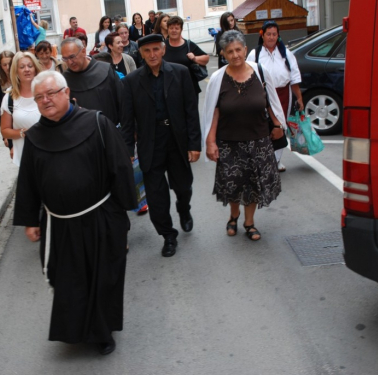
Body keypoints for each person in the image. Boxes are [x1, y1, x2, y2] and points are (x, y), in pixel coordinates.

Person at [14, 70, 137, 355]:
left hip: (100, 216)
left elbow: (119, 167)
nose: (45, 101)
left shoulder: (97, 122)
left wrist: (122, 213)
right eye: (39, 97)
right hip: (60, 224)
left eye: (51, 94)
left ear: (66, 93)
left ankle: (103, 332)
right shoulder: (34, 137)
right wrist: (30, 221)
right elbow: (28, 181)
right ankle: (76, 329)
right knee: (67, 279)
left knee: (103, 276)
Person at [121, 34, 201, 257]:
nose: (152, 54)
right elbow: (127, 121)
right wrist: (128, 150)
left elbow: (191, 111)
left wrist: (194, 143)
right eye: (147, 51)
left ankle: (184, 209)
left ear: (163, 50)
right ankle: (168, 235)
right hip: (150, 144)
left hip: (177, 140)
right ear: (141, 54)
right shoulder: (131, 81)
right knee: (156, 197)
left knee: (183, 186)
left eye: (156, 49)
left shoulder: (181, 73)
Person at [202, 30, 285, 241]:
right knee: (233, 183)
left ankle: (249, 222)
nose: (235, 54)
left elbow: (271, 102)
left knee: (254, 184)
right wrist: (210, 141)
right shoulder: (218, 79)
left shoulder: (261, 72)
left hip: (259, 140)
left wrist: (278, 125)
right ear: (223, 54)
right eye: (230, 51)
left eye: (238, 49)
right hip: (229, 142)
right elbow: (214, 111)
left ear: (245, 50)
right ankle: (234, 214)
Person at [247, 20, 304, 172]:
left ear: (278, 36)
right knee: (264, 126)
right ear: (262, 35)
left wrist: (299, 98)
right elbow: (247, 76)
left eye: (274, 34)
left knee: (281, 125)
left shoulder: (286, 54)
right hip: (263, 94)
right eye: (268, 34)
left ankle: (276, 160)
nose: (271, 37)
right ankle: (263, 159)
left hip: (283, 93)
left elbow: (295, 78)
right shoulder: (255, 54)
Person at [61, 37, 123, 125]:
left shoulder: (105, 70)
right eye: (65, 59)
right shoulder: (64, 80)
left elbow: (122, 101)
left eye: (72, 57)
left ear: (83, 51)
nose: (70, 62)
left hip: (111, 129)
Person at [0, 52, 42, 167]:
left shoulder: (45, 92)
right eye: (22, 67)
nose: (26, 70)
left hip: (49, 153)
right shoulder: (9, 98)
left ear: (35, 68)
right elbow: (4, 130)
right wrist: (22, 133)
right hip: (25, 158)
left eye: (30, 66)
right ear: (16, 71)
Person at [163, 16, 209, 97]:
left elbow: (206, 58)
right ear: (168, 29)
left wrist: (195, 58)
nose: (174, 31)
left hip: (189, 88)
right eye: (171, 28)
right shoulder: (163, 46)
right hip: (169, 89)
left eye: (177, 28)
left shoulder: (188, 45)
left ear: (181, 30)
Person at [0, 51, 15, 158]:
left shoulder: (21, 79)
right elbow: (0, 110)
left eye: (10, 63)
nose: (7, 67)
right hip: (9, 123)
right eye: (4, 64)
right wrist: (5, 136)